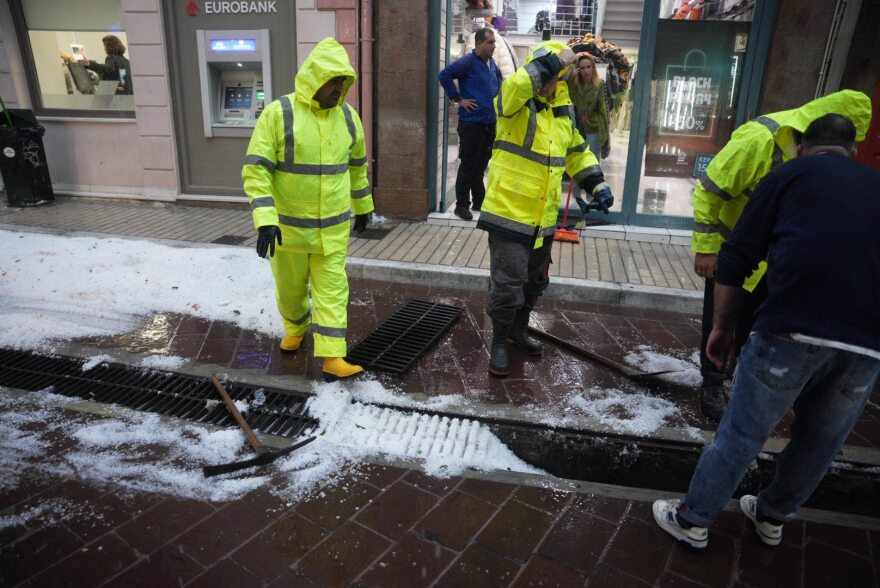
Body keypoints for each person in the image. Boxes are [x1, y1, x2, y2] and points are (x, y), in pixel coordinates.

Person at [653, 114, 880, 550]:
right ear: (852, 152)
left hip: (791, 327)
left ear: (802, 148)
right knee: (819, 443)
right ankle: (772, 515)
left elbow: (737, 256)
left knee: (742, 433)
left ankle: (693, 519)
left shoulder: (789, 175)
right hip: (866, 345)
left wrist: (722, 327)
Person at [691, 89, 872, 421]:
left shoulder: (821, 159)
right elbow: (709, 189)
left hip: (777, 261)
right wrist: (705, 249)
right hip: (735, 253)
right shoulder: (760, 138)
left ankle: (742, 382)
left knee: (755, 327)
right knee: (720, 319)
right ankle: (713, 381)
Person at [476, 41, 614, 377]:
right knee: (507, 285)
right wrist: (554, 62)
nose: (551, 84)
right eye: (548, 75)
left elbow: (577, 152)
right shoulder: (514, 103)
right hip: (509, 212)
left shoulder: (564, 111)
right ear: (538, 72)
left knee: (535, 282)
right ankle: (499, 341)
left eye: (557, 77)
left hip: (543, 217)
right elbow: (516, 87)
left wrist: (597, 183)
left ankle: (517, 330)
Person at [241, 37, 374, 381]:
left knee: (333, 290)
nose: (339, 88)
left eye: (344, 81)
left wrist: (363, 206)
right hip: (289, 232)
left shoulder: (348, 118)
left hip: (332, 231)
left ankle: (333, 357)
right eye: (333, 80)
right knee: (291, 291)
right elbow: (257, 170)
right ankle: (295, 327)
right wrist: (265, 220)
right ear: (316, 78)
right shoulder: (279, 114)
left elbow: (357, 166)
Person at [439, 28, 503, 220]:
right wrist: (458, 99)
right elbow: (444, 75)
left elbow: (498, 87)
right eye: (490, 42)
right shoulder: (468, 61)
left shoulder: (492, 64)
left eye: (494, 42)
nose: (494, 46)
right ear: (479, 43)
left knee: (481, 165)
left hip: (489, 123)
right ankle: (461, 206)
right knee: (468, 165)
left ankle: (479, 201)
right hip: (472, 123)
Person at [565, 53, 610, 218]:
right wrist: (571, 77)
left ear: (593, 68)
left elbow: (603, 110)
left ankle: (592, 197)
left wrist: (605, 135)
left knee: (591, 164)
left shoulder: (600, 85)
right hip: (577, 130)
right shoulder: (575, 85)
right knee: (577, 163)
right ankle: (576, 197)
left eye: (588, 67)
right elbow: (566, 95)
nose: (586, 71)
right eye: (582, 67)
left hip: (593, 129)